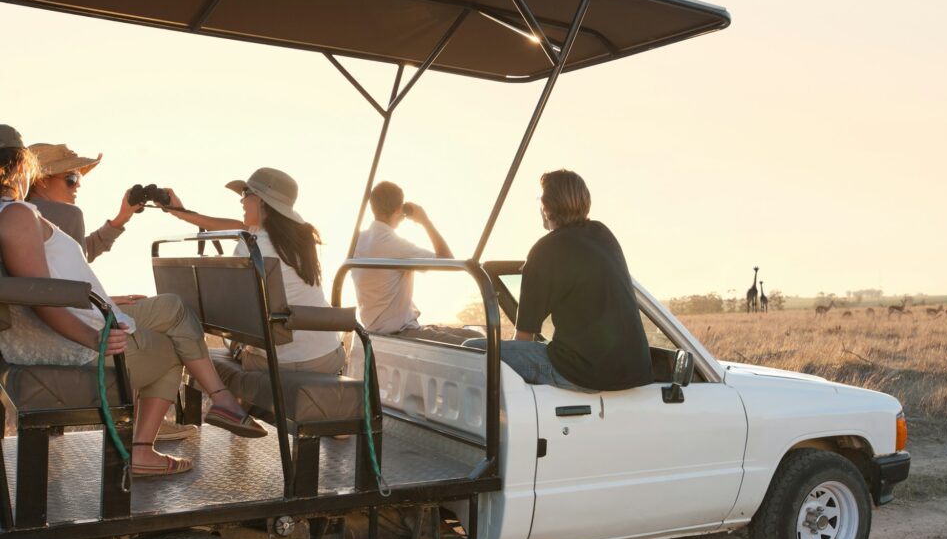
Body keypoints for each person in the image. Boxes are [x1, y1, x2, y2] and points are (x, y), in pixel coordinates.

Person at [0, 124, 266, 478]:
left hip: (74, 321)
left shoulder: (15, 213)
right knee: (174, 341)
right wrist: (92, 337)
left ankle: (217, 403)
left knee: (173, 310)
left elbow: (46, 282)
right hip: (72, 337)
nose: (76, 185)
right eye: (71, 178)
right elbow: (39, 295)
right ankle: (154, 444)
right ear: (22, 167)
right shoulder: (15, 214)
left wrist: (104, 300)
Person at [465, 169, 653, 392]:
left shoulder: (545, 250)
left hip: (584, 373)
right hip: (635, 371)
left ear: (546, 206)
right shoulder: (603, 234)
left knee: (470, 350)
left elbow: (524, 338)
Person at [161, 167, 344, 373]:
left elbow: (231, 310)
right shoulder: (300, 235)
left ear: (262, 200)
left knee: (230, 344)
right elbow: (240, 226)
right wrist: (182, 213)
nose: (241, 201)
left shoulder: (250, 248)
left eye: (245, 194)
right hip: (328, 356)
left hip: (279, 363)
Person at [352, 181, 481, 344]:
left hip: (376, 330)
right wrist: (425, 221)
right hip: (401, 333)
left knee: (473, 336)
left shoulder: (358, 240)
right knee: (478, 342)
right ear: (399, 209)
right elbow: (449, 262)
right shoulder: (393, 243)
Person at [27, 143, 140, 263]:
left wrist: (122, 217)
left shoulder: (15, 210)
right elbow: (80, 263)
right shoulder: (69, 214)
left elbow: (80, 252)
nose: (78, 184)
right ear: (42, 181)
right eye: (71, 179)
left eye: (78, 177)